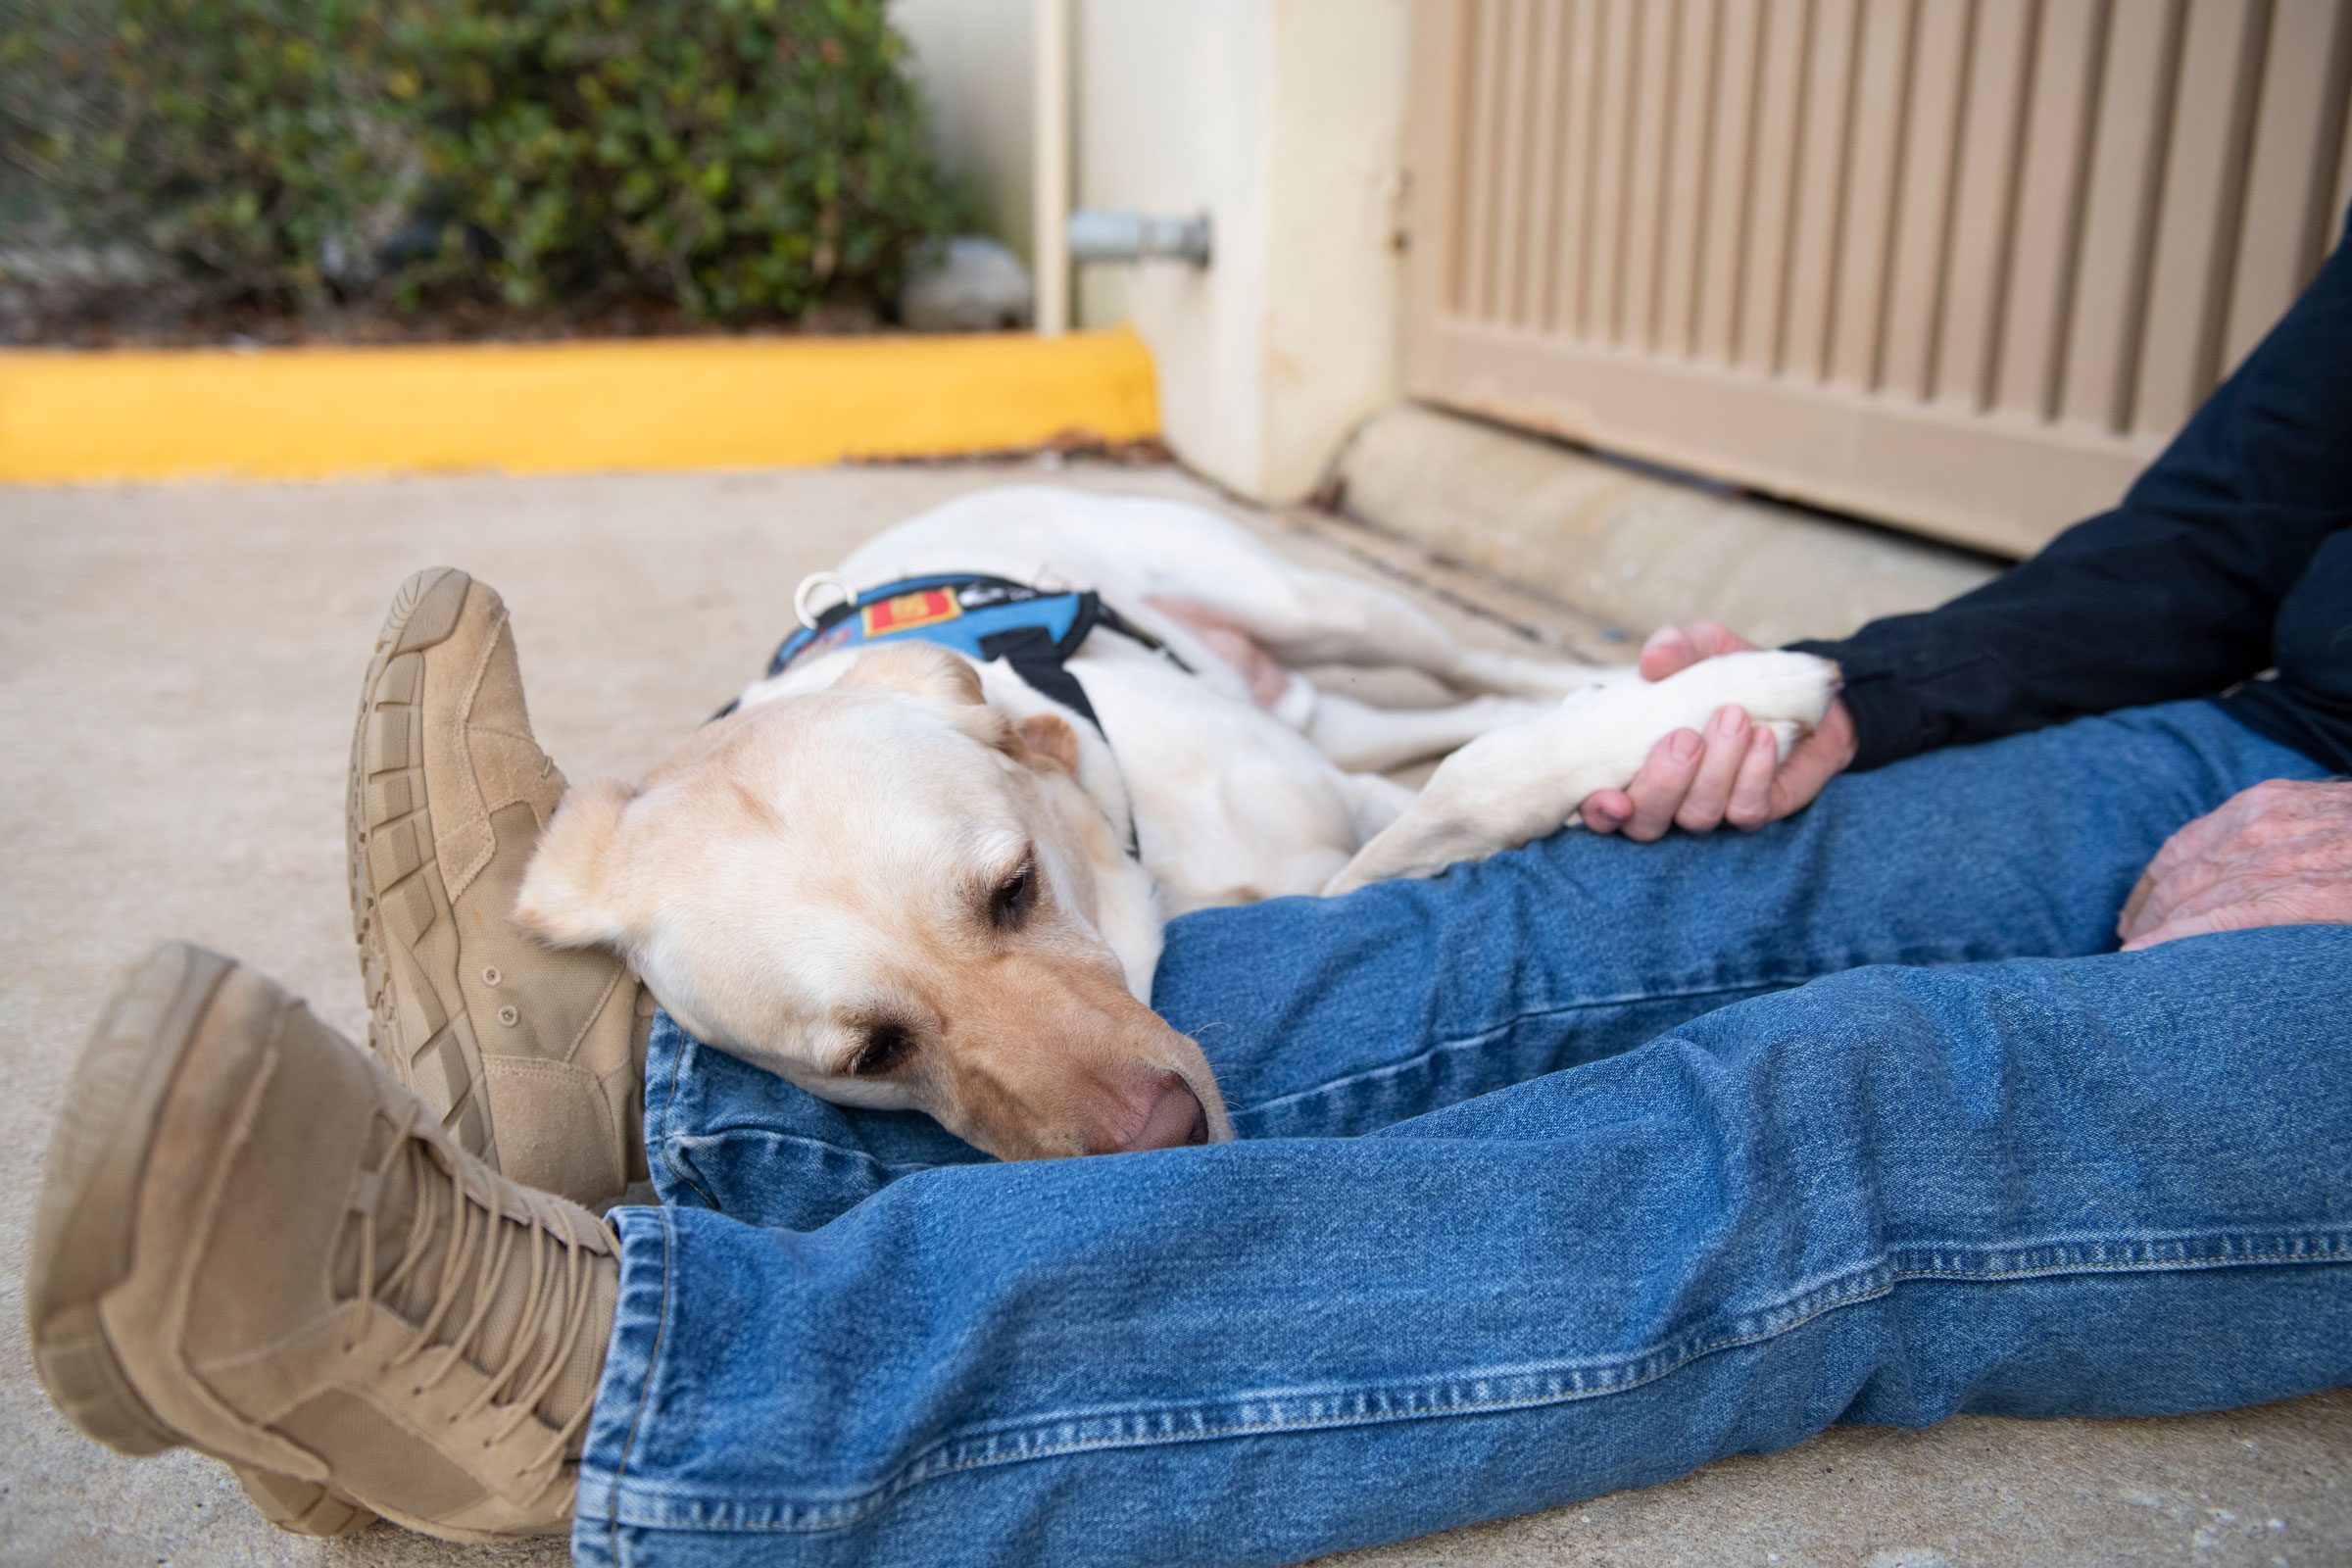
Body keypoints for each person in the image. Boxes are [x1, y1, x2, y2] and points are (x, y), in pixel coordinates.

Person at [27, 208, 2352, 1565]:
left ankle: (655, 1399)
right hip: (2264, 718)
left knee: (1843, 1114)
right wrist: (1865, 682)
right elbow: (2223, 543)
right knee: (1544, 926)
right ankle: (652, 1095)